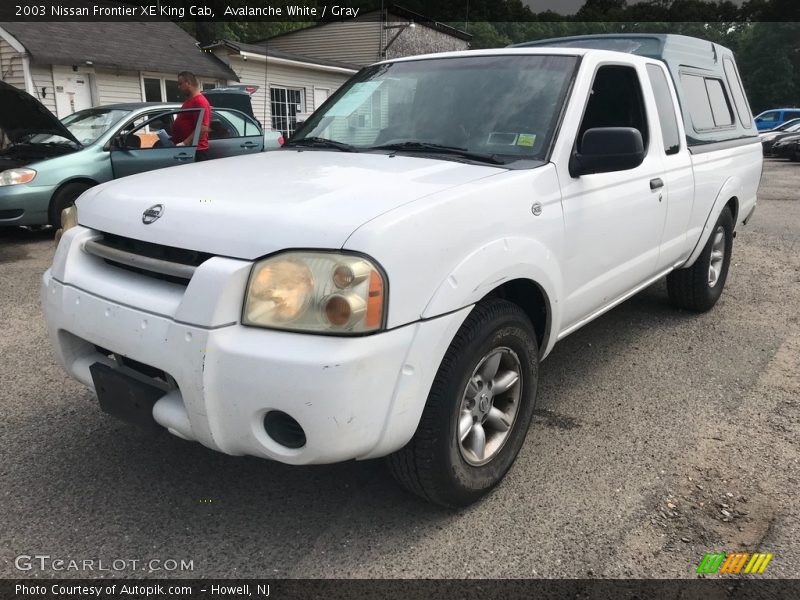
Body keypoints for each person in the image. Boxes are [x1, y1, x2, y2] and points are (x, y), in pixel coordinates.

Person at [170, 71, 211, 161]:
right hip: (187, 150)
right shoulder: (190, 100)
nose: (179, 87)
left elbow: (203, 128)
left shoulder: (200, 101)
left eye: (180, 84)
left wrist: (185, 143)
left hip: (196, 151)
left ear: (188, 83)